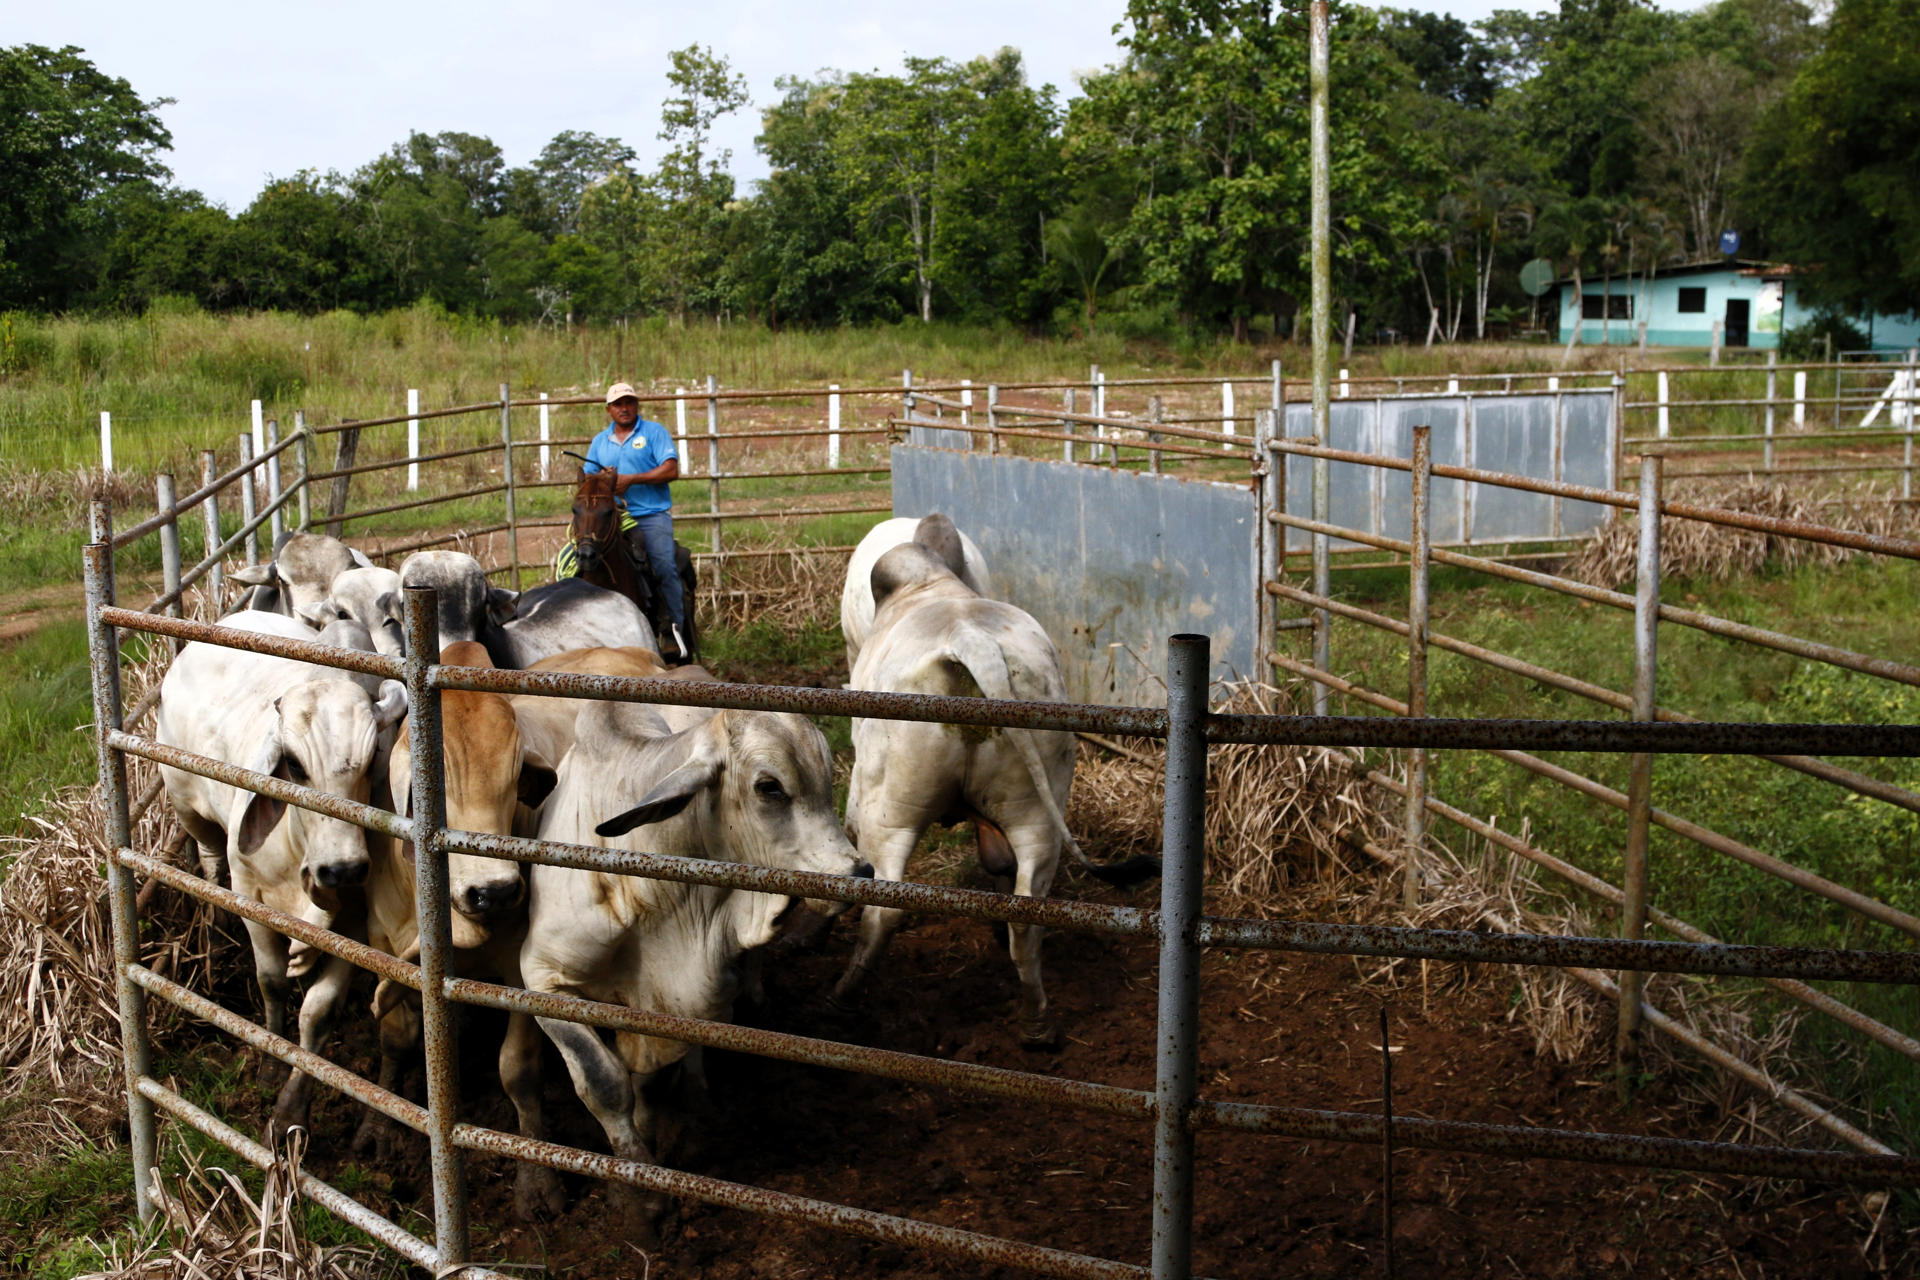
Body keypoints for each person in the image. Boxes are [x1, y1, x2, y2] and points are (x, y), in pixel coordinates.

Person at [582, 382, 687, 655]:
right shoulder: (599, 442)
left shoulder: (654, 432)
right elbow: (588, 481)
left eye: (629, 402)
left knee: (664, 564)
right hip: (612, 516)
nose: (624, 408)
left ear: (637, 405)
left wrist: (630, 480)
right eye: (618, 404)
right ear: (609, 410)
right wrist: (604, 481)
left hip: (651, 514)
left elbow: (671, 469)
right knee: (575, 561)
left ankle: (672, 629)